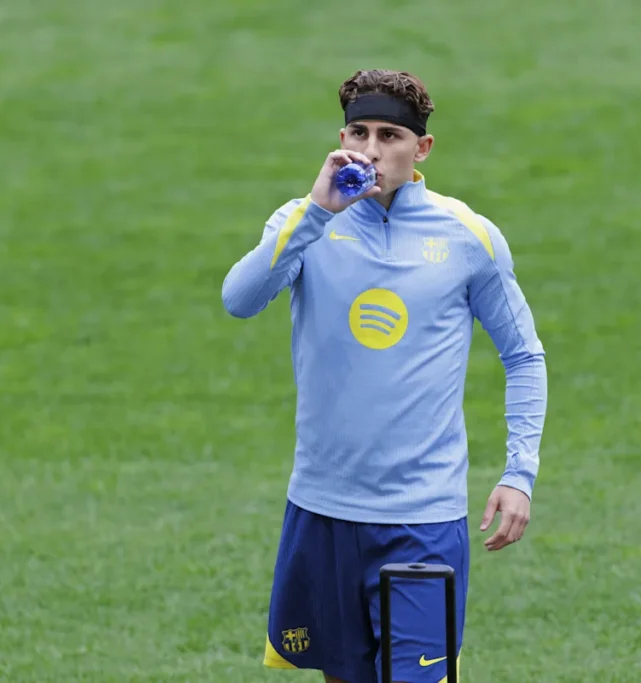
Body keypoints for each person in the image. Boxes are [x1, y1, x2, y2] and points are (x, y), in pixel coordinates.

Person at [221, 69, 548, 683]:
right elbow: (239, 300)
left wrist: (519, 473)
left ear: (421, 148)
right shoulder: (304, 222)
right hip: (322, 510)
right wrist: (317, 213)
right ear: (342, 138)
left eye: (390, 136)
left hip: (423, 519)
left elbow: (524, 356)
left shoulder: (468, 237)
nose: (371, 150)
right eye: (359, 132)